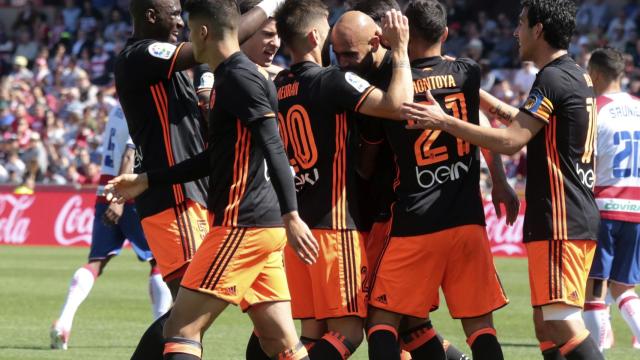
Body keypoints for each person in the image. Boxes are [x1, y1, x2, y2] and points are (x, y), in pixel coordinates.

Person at [107, 0, 320, 359]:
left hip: (224, 208)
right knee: (187, 317)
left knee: (258, 333)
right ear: (150, 16)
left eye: (184, 19)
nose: (179, 24)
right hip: (179, 200)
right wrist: (271, 3)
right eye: (174, 14)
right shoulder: (142, 55)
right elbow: (217, 39)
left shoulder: (234, 77)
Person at [401, 0, 604, 359]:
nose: (515, 32)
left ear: (538, 29)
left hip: (560, 216)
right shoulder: (572, 74)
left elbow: (512, 141)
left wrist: (443, 120)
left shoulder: (553, 77)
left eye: (522, 23)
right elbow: (523, 121)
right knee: (546, 324)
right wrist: (465, 90)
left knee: (560, 322)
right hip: (570, 213)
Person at [352, 2, 510, 359]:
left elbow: (367, 162)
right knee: (480, 326)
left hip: (414, 220)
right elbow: (482, 123)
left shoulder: (390, 84)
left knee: (381, 319)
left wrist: (398, 51)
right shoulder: (468, 71)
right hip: (466, 216)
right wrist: (498, 180)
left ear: (403, 33)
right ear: (446, 33)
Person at [267, 3, 413, 359]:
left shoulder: (280, 84)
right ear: (317, 36)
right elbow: (398, 104)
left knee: (314, 335)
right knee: (348, 334)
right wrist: (402, 50)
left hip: (299, 228)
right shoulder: (331, 80)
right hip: (336, 228)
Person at [50, 104, 171, 350]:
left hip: (103, 191)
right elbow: (129, 153)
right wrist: (120, 197)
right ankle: (163, 334)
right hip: (130, 193)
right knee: (159, 262)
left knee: (96, 262)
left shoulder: (117, 109)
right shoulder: (141, 104)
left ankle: (63, 322)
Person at [582, 47, 640, 352]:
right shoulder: (639, 107)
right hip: (637, 208)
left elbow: (585, 161)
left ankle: (595, 352)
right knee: (623, 288)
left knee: (593, 290)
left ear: (596, 74)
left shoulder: (597, 108)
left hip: (604, 207)